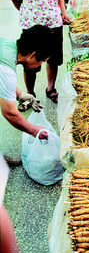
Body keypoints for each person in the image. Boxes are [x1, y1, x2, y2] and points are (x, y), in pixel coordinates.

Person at [10, 0, 72, 104]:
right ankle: (29, 94)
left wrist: (63, 13)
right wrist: (25, 11)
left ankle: (50, 88)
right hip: (32, 26)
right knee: (30, 63)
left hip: (54, 24)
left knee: (53, 59)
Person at [0, 25, 55, 161]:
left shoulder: (6, 45)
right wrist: (34, 130)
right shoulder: (6, 70)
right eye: (42, 60)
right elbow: (10, 113)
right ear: (32, 54)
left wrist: (19, 94)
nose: (40, 64)